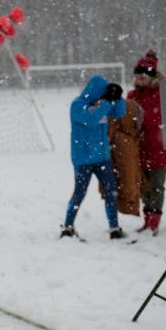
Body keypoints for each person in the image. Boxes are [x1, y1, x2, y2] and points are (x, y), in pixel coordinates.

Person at [60, 76, 127, 239]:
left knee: (111, 191)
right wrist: (105, 103)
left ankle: (114, 227)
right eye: (102, 95)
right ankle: (68, 226)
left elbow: (120, 112)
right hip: (83, 159)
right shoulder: (77, 105)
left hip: (102, 158)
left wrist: (117, 98)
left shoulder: (102, 105)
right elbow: (91, 120)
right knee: (79, 193)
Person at [128, 50, 166, 235]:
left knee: (157, 186)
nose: (139, 79)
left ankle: (154, 220)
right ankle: (147, 219)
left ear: (151, 76)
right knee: (143, 186)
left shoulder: (163, 93)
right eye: (137, 76)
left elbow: (159, 118)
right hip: (140, 149)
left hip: (160, 147)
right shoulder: (132, 95)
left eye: (143, 75)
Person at [104, 91, 143, 217]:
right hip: (125, 203)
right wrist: (130, 199)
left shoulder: (115, 135)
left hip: (120, 195)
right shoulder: (124, 140)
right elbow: (128, 172)